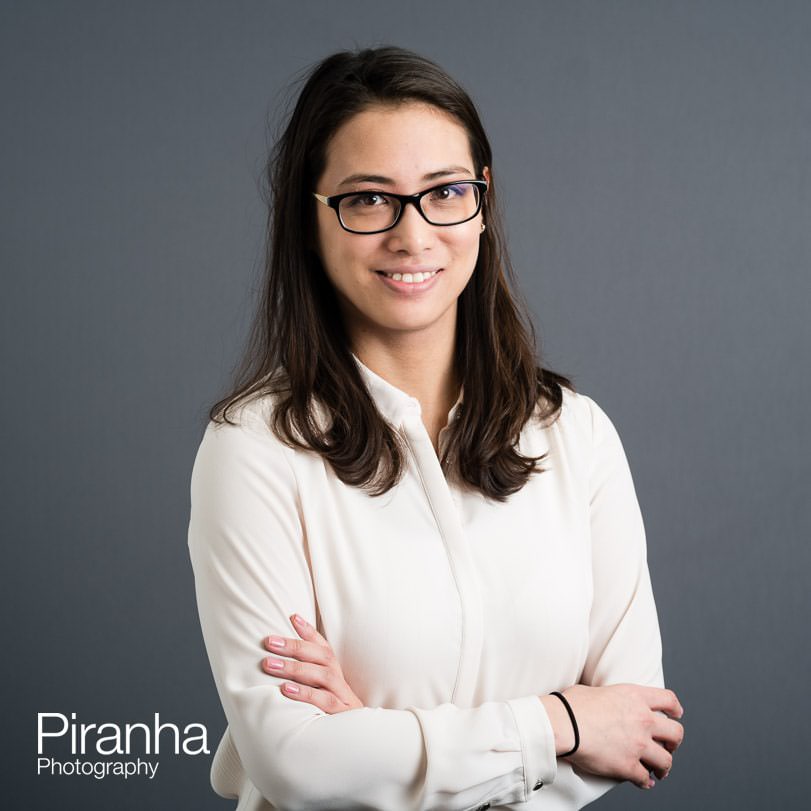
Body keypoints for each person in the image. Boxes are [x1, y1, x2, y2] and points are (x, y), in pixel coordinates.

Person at [187, 46, 684, 811]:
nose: (412, 236)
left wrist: (374, 740)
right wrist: (556, 721)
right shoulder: (254, 449)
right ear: (309, 217)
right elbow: (295, 763)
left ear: (482, 202)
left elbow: (634, 723)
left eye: (445, 191)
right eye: (367, 199)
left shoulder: (574, 436)